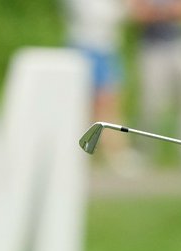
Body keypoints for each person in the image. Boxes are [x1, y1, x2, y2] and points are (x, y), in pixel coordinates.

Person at [127, 0, 181, 176]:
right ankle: (144, 155)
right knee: (150, 106)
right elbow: (138, 14)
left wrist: (156, 13)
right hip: (152, 48)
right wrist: (167, 12)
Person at [60, 0, 139, 174]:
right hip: (85, 48)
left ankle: (113, 152)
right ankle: (83, 154)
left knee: (110, 102)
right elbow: (97, 15)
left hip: (107, 49)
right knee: (85, 105)